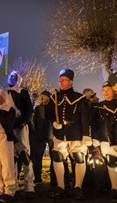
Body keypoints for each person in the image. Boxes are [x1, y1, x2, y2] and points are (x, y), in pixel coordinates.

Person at [47, 68, 91, 200]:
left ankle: (78, 187)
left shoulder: (79, 98)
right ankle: (61, 187)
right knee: (57, 156)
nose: (60, 82)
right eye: (59, 80)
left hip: (76, 133)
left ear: (71, 82)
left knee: (78, 157)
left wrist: (86, 135)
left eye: (64, 80)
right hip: (60, 134)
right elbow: (49, 113)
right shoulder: (54, 98)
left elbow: (85, 117)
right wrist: (54, 121)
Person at [5, 71, 35, 198]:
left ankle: (29, 186)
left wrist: (22, 122)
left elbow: (28, 110)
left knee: (24, 154)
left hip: (20, 126)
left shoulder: (22, 91)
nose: (12, 78)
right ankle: (14, 185)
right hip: (8, 127)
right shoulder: (4, 92)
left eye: (14, 76)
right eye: (10, 76)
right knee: (11, 156)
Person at [97, 81, 117, 199]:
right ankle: (115, 188)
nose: (105, 93)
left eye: (108, 90)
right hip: (105, 140)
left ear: (113, 90)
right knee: (111, 162)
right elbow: (96, 123)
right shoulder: (100, 106)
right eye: (103, 91)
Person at [32, 90, 53, 184]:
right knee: (38, 156)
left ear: (48, 97)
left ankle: (54, 177)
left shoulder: (53, 106)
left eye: (43, 96)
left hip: (51, 134)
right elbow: (35, 121)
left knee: (54, 157)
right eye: (41, 96)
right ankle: (37, 177)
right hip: (40, 135)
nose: (42, 98)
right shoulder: (38, 108)